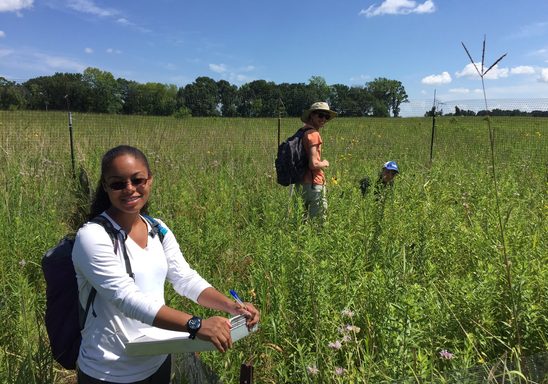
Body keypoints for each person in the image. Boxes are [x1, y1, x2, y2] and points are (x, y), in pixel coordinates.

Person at [72, 145, 260, 384]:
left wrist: (232, 307)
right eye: (118, 184)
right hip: (110, 370)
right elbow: (126, 298)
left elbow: (185, 279)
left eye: (137, 180)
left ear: (149, 180)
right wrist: (196, 324)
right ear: (106, 187)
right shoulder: (92, 237)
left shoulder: (157, 229)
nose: (130, 189)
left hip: (157, 361)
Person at [296, 101, 337, 221]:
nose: (324, 119)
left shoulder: (302, 132)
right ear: (312, 115)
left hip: (300, 182)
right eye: (320, 115)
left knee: (300, 222)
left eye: (326, 116)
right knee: (318, 224)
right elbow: (314, 164)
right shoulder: (314, 134)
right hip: (314, 184)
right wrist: (325, 163)